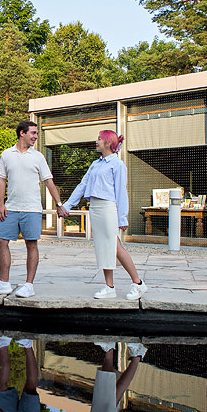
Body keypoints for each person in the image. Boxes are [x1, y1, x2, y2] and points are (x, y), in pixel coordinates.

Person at [0, 119, 67, 298]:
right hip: (11, 208)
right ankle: (4, 283)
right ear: (22, 133)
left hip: (32, 208)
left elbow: (48, 181)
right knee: (1, 241)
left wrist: (59, 204)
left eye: (36, 134)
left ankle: (29, 285)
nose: (36, 137)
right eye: (33, 133)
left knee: (31, 244)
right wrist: (0, 204)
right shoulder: (6, 154)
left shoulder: (38, 157)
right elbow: (1, 179)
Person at [62, 129, 147, 301]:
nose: (96, 141)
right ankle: (109, 287)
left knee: (114, 247)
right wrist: (67, 205)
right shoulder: (96, 164)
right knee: (103, 248)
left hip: (109, 208)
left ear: (108, 143)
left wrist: (122, 217)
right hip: (95, 208)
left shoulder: (117, 165)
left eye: (99, 139)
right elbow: (82, 185)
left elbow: (121, 192)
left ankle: (138, 283)